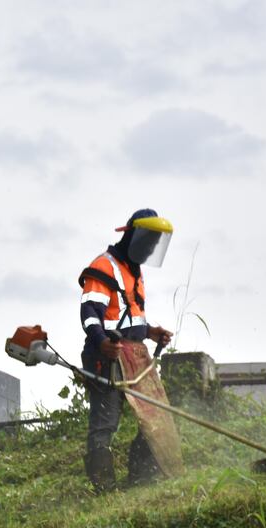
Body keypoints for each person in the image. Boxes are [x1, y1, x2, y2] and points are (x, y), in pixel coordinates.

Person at [78, 209, 175, 492]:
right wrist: (101, 342)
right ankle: (104, 488)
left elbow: (128, 317)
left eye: (155, 245)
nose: (150, 250)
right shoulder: (104, 266)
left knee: (155, 416)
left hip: (135, 353)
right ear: (132, 236)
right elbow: (90, 313)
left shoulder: (135, 271)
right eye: (148, 243)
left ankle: (141, 479)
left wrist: (151, 332)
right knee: (105, 422)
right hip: (105, 354)